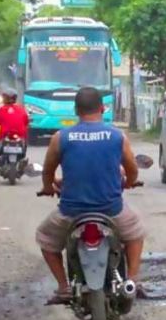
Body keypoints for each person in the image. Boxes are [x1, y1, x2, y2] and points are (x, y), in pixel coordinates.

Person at [36, 87, 145, 305]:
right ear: (103, 108)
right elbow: (132, 169)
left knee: (46, 239)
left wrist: (48, 187)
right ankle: (132, 281)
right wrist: (131, 182)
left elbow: (48, 170)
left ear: (76, 110)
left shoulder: (61, 137)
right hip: (111, 210)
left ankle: (64, 287)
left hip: (71, 212)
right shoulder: (116, 136)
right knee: (136, 234)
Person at [0, 89, 30, 155]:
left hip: (5, 134)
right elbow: (26, 121)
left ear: (7, 98)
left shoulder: (2, 109)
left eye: (4, 97)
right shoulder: (21, 109)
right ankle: (23, 155)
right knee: (25, 142)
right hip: (20, 135)